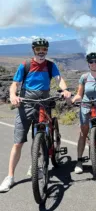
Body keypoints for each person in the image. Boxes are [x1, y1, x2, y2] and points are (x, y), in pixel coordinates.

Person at [0, 38, 72, 193]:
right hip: (25, 105)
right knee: (18, 143)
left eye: (44, 49)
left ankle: (36, 164)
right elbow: (15, 84)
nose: (41, 51)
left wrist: (65, 90)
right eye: (38, 49)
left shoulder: (50, 65)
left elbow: (59, 80)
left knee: (41, 137)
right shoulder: (25, 65)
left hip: (44, 104)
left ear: (47, 50)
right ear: (33, 50)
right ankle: (10, 177)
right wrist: (13, 95)